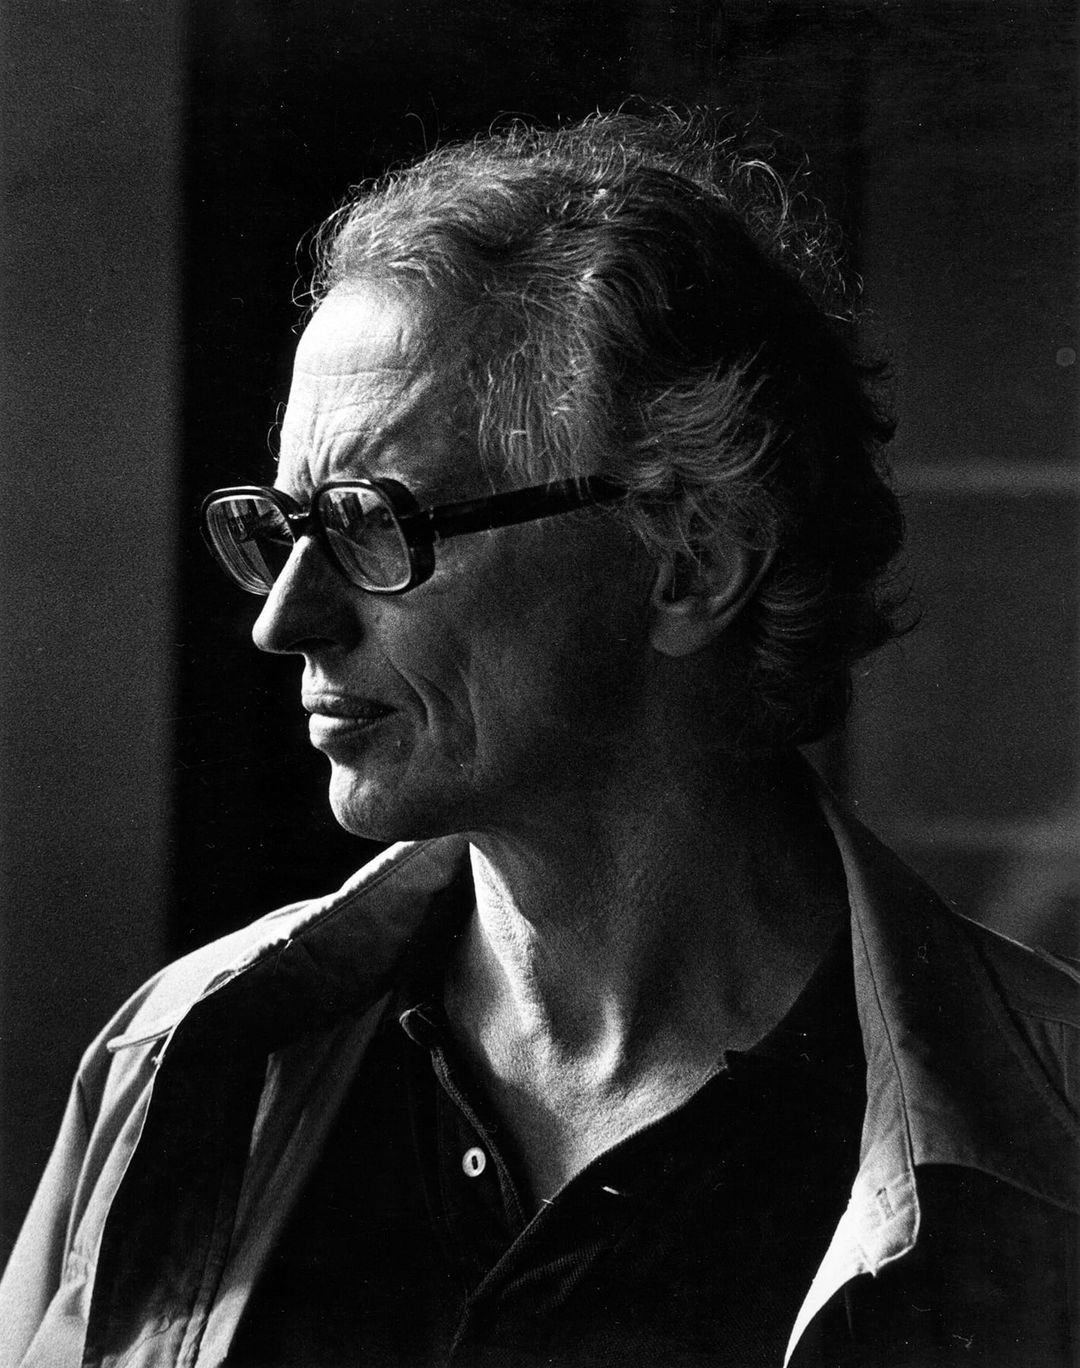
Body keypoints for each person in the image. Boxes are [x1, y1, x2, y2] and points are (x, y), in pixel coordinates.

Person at [2, 111, 1077, 1368]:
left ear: (689, 561)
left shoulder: (1052, 1138)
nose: (285, 621)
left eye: (371, 522)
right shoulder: (177, 1063)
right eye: (281, 529)